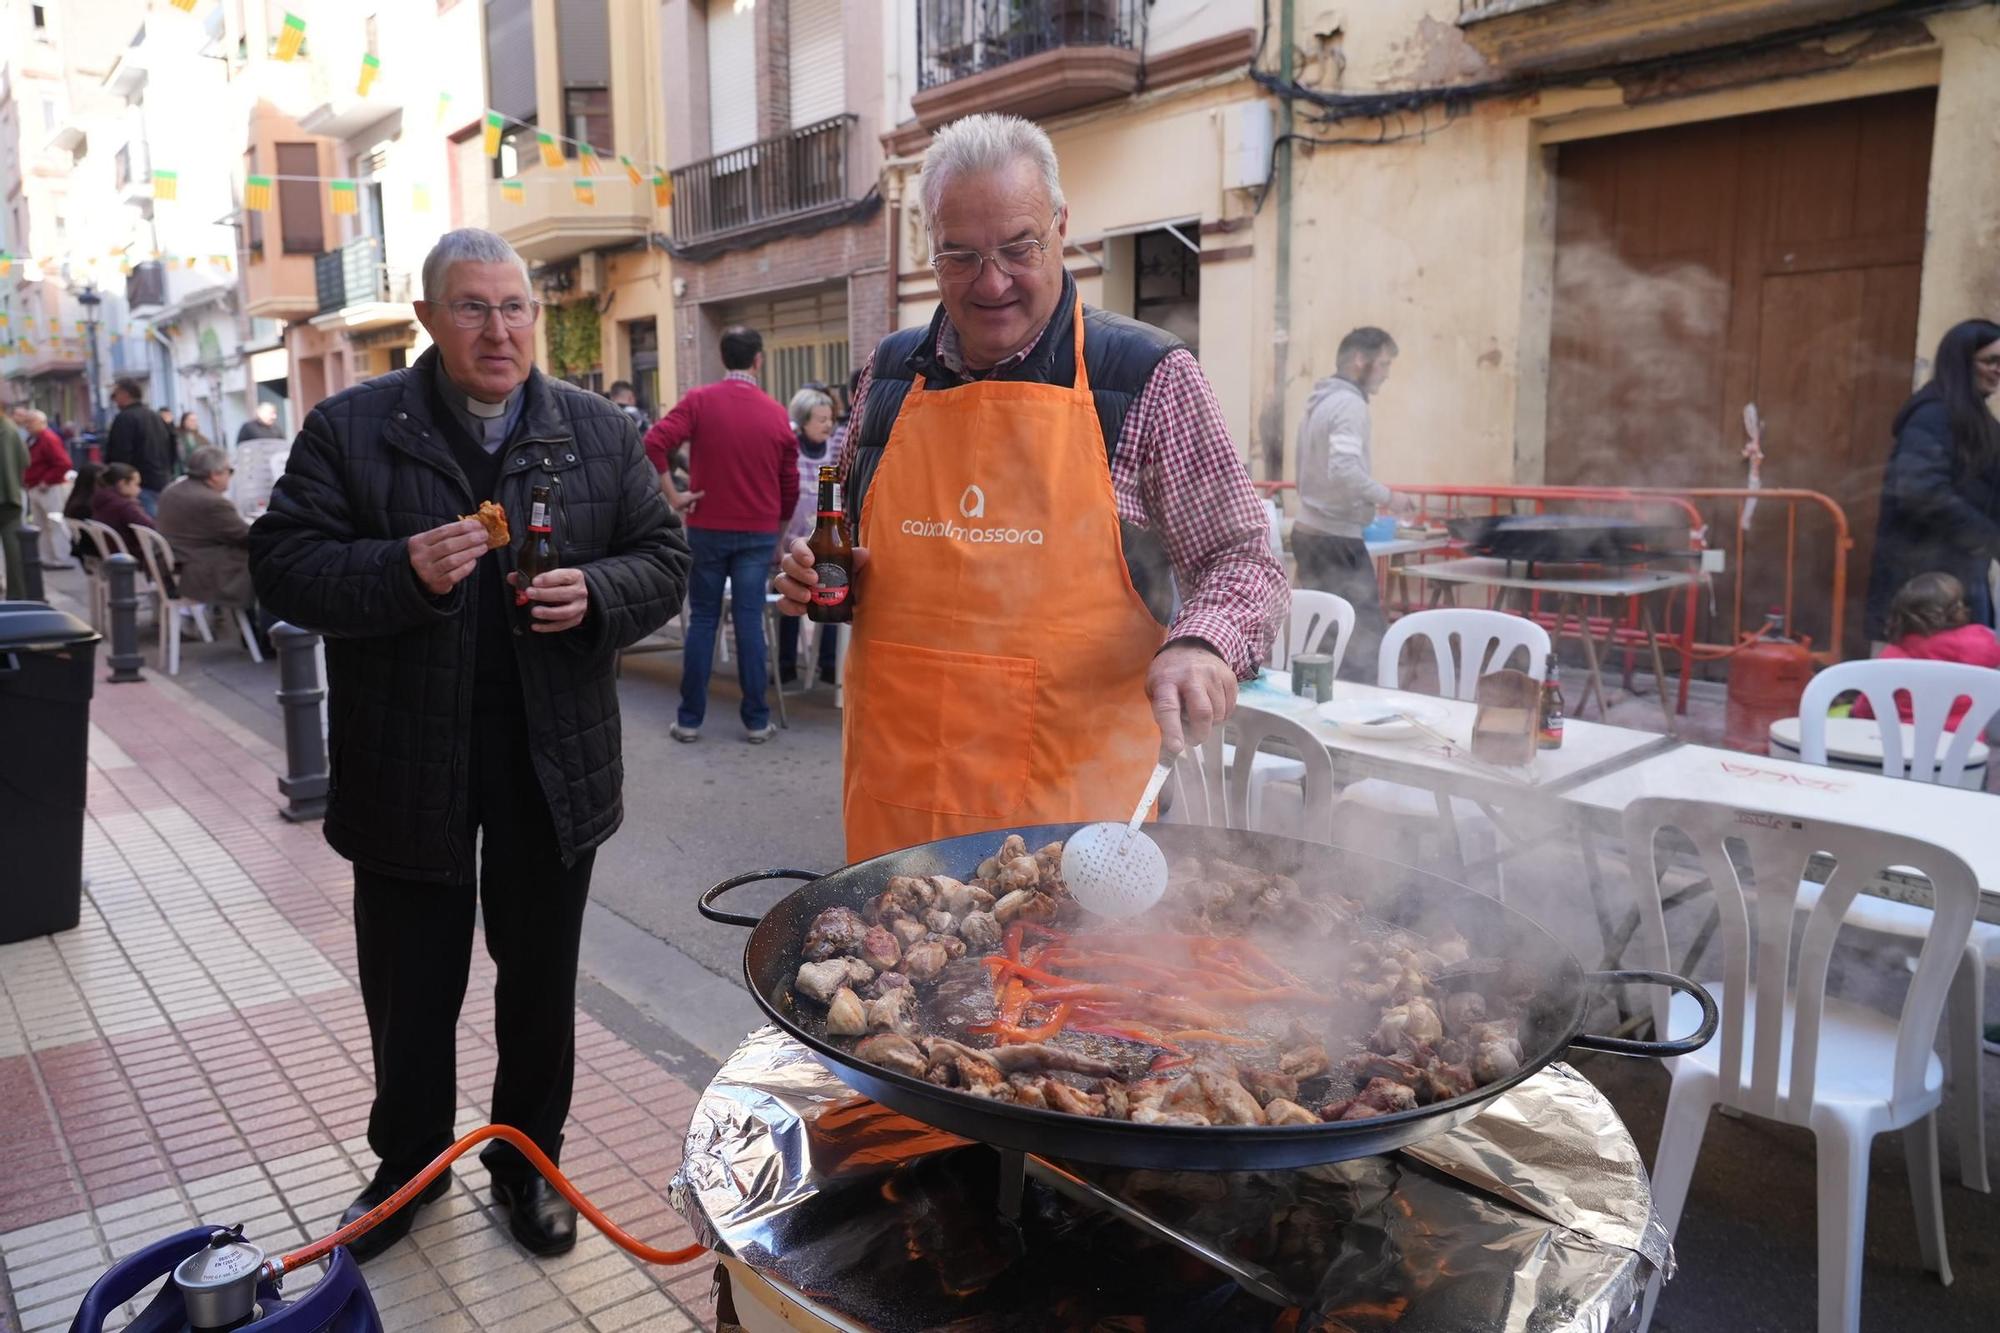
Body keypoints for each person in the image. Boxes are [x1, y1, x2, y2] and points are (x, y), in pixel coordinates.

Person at [249, 228, 690, 1263]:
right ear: (427, 318)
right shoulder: (353, 430)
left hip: (551, 760)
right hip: (409, 760)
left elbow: (663, 556)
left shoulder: (592, 428)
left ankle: (528, 1169)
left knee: (538, 984)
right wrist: (399, 569)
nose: (498, 331)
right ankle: (406, 1169)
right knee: (412, 989)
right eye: (472, 308)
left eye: (514, 308)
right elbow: (283, 565)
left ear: (535, 317)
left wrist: (599, 593)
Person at [774, 113, 1287, 860]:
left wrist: (1203, 643)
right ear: (930, 248)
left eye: (1019, 248)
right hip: (895, 820)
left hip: (1073, 831)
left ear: (1061, 226)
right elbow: (845, 542)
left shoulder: (1145, 376)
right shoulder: (887, 375)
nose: (992, 282)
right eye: (961, 255)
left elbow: (1246, 556)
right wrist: (822, 574)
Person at [644, 325, 798, 743]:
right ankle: (756, 720)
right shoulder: (775, 413)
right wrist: (780, 534)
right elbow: (789, 486)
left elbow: (654, 442)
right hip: (758, 532)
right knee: (749, 621)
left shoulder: (700, 401)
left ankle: (690, 719)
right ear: (758, 360)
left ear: (723, 357)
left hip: (707, 528)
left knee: (704, 622)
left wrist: (675, 495)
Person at [1866, 319, 2000, 644]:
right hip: (1923, 582)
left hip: (1961, 575)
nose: (1998, 370)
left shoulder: (1979, 422)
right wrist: (1987, 537)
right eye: (1990, 361)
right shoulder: (1932, 416)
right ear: (1960, 362)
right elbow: (1920, 491)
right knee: (1918, 682)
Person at [1291, 326, 1412, 681]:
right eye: (1384, 364)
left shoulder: (1320, 402)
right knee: (1362, 640)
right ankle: (1358, 722)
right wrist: (1391, 497)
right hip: (1335, 538)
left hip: (1308, 531)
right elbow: (1344, 471)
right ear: (1361, 360)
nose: (1386, 374)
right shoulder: (1349, 405)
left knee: (1326, 635)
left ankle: (1318, 717)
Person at [1849, 571, 2000, 731]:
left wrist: (1852, 713)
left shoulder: (1892, 656)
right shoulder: (1982, 642)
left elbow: (1865, 710)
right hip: (1965, 749)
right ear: (1958, 610)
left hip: (1903, 747)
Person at [776, 385, 840, 686]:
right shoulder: (789, 449)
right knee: (791, 602)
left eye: (830, 418)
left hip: (826, 543)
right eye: (820, 419)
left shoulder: (836, 449)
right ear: (802, 421)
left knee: (831, 601)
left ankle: (828, 664)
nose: (828, 424)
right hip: (792, 542)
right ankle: (785, 664)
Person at [157, 446, 255, 614]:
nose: (230, 476)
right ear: (215, 475)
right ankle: (264, 630)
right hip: (200, 569)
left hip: (178, 563)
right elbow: (247, 537)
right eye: (229, 471)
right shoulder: (213, 502)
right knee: (268, 561)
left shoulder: (172, 490)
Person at [106, 378, 175, 515]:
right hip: (162, 481)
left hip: (137, 485)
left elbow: (120, 455)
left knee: (145, 529)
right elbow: (172, 447)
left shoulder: (124, 419)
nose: (115, 399)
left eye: (116, 394)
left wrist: (118, 482)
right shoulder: (156, 416)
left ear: (125, 394)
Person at [20, 408, 74, 568]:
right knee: (40, 525)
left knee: (55, 523)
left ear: (41, 422)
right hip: (36, 486)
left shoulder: (48, 438)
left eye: (30, 422)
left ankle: (61, 558)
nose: (27, 425)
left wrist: (46, 480)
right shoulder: (33, 439)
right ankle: (47, 558)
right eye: (26, 422)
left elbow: (63, 463)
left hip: (50, 487)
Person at [90, 462, 159, 554]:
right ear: (122, 484)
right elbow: (151, 528)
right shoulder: (125, 506)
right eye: (136, 484)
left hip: (110, 554)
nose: (139, 489)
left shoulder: (101, 500)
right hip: (129, 556)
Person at [0, 402, 25, 598]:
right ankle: (17, 596)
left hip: (9, 500)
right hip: (10, 498)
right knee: (14, 551)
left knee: (14, 550)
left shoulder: (8, 429)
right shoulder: (10, 429)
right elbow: (24, 460)